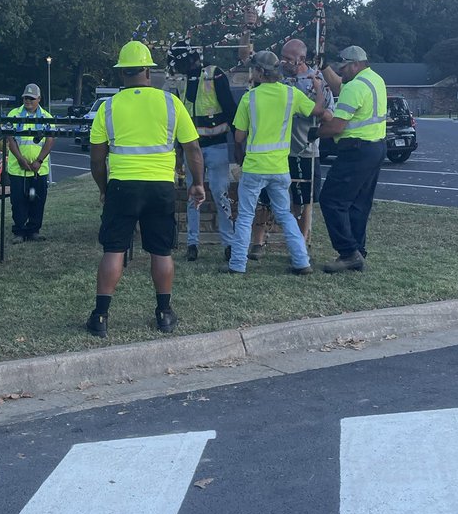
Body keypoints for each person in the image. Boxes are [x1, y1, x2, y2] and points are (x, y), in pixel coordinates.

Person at [87, 40, 205, 338]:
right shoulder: (171, 103)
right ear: (149, 71)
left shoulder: (108, 107)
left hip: (122, 187)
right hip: (160, 188)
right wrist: (198, 184)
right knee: (161, 252)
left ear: (121, 74)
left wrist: (104, 188)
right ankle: (164, 313)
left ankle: (100, 317)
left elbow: (97, 158)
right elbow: (192, 149)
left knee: (113, 250)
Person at [226, 51, 331, 275]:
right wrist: (319, 86)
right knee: (285, 215)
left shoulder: (250, 98)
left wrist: (239, 153)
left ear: (260, 72)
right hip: (279, 167)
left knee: (245, 216)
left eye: (253, 69)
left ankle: (237, 265)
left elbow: (238, 137)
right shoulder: (290, 95)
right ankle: (302, 262)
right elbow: (319, 110)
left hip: (254, 167)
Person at [248, 38, 335, 256]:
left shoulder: (316, 80)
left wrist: (316, 97)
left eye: (288, 59)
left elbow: (328, 115)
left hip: (304, 149)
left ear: (301, 59)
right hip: (276, 152)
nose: (283, 62)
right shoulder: (276, 79)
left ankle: (300, 245)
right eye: (282, 57)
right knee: (264, 199)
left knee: (303, 201)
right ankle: (258, 243)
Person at [317, 45, 387, 273]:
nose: (341, 71)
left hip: (356, 151)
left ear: (355, 64)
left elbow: (336, 126)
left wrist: (315, 133)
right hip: (375, 148)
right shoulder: (373, 79)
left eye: (344, 67)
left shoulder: (355, 87)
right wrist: (323, 67)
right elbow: (340, 85)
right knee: (358, 204)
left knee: (331, 200)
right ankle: (358, 251)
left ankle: (348, 252)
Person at [167, 41, 236, 263]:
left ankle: (229, 244)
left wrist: (238, 145)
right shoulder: (181, 81)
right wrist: (178, 150)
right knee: (192, 197)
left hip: (216, 145)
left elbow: (230, 110)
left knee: (219, 193)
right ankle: (192, 244)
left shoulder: (214, 74)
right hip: (192, 148)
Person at [6, 83, 55, 243]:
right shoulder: (14, 114)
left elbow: (50, 140)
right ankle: (19, 231)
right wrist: (20, 158)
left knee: (37, 201)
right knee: (18, 202)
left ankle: (34, 230)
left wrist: (39, 160)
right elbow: (10, 138)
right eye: (26, 98)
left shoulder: (46, 117)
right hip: (18, 169)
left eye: (32, 98)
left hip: (38, 170)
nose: (28, 101)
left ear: (39, 99)